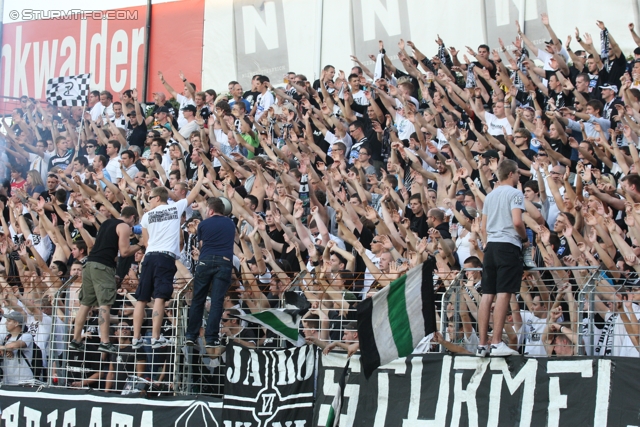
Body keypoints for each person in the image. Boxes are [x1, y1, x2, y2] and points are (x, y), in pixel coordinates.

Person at [132, 176, 204, 349]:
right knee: (159, 297)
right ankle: (155, 337)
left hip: (149, 257)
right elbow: (193, 194)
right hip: (165, 257)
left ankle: (136, 338)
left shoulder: (147, 216)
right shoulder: (175, 208)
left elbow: (146, 242)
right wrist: (200, 178)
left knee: (141, 298)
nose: (148, 201)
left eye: (150, 198)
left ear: (157, 198)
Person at [69, 207, 144, 354]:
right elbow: (124, 252)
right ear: (133, 218)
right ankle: (105, 342)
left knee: (85, 304)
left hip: (90, 265)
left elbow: (108, 250)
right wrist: (141, 245)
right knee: (105, 304)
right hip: (102, 267)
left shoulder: (107, 223)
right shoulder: (123, 226)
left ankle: (76, 339)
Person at [477, 159, 527, 357]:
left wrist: (487, 242)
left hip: (490, 247)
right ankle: (497, 342)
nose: (518, 176)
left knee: (487, 295)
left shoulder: (490, 196)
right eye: (517, 173)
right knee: (504, 293)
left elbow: (482, 227)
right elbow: (517, 221)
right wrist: (524, 239)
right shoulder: (515, 193)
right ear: (511, 174)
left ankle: (482, 344)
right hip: (508, 245)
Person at [185, 197, 236, 350]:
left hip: (205, 261)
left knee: (198, 299)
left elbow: (202, 245)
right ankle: (212, 337)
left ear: (211, 210)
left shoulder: (204, 224)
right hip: (224, 262)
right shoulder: (230, 223)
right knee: (217, 301)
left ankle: (191, 335)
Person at [0, 311, 34, 385]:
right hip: (8, 381)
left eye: (9, 321)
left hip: (24, 381)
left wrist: (4, 348)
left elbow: (14, 345)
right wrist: (5, 349)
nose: (6, 323)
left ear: (16, 323)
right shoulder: (6, 338)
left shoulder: (27, 336)